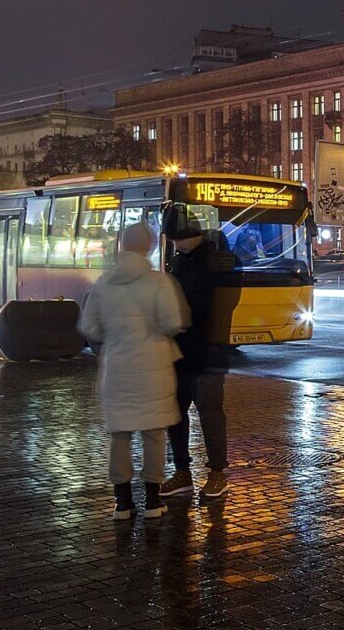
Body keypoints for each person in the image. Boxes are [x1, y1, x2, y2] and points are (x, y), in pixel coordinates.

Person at [78, 224, 186, 520]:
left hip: (117, 369)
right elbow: (172, 323)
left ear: (121, 246)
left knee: (120, 436)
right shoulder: (160, 283)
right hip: (154, 370)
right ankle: (153, 501)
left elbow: (90, 327)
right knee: (154, 435)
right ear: (148, 247)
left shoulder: (103, 283)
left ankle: (122, 502)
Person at [162, 215, 230, 500]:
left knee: (210, 414)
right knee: (175, 415)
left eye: (179, 239)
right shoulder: (179, 261)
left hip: (208, 350)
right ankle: (182, 473)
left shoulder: (217, 261)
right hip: (180, 350)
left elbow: (218, 305)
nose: (176, 245)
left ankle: (217, 474)